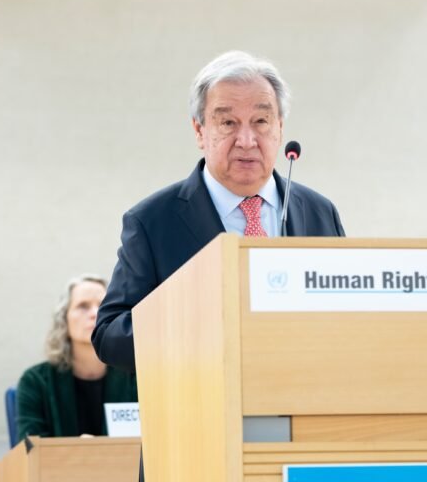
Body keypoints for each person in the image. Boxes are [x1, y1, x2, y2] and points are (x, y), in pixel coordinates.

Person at [91, 50, 345, 480]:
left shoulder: (319, 213)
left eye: (261, 121)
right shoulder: (154, 220)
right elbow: (110, 335)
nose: (246, 140)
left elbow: (345, 322)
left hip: (304, 443)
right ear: (199, 130)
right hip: (193, 443)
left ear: (280, 128)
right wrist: (201, 325)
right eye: (227, 123)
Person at [16, 274, 137, 440]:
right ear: (63, 320)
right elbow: (29, 448)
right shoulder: (35, 382)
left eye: (103, 305)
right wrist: (79, 450)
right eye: (83, 306)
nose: (95, 313)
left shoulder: (137, 378)